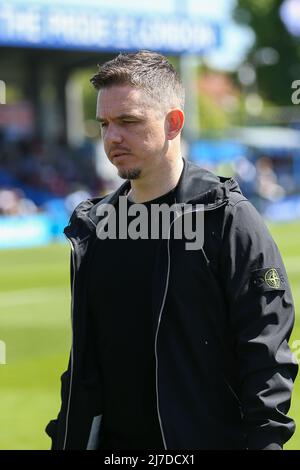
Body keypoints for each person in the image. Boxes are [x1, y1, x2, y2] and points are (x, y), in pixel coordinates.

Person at [46, 50, 298, 450]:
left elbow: (266, 354)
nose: (112, 137)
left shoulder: (226, 218)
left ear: (173, 122)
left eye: (128, 121)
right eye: (105, 124)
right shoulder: (94, 228)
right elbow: (83, 364)